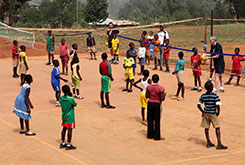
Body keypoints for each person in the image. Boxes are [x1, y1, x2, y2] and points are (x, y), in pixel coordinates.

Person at [197, 81, 228, 150]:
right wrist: (218, 112)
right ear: (211, 88)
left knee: (206, 127)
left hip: (206, 113)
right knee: (217, 127)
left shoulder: (203, 96)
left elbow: (198, 105)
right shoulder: (215, 95)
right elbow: (218, 104)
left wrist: (203, 111)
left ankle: (208, 142)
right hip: (213, 113)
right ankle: (219, 143)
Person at [146, 74, 166, 140]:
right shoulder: (161, 88)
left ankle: (150, 134)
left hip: (150, 103)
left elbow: (147, 95)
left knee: (150, 119)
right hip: (157, 103)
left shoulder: (149, 87)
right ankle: (157, 136)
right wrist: (164, 94)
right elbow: (162, 98)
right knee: (157, 120)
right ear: (158, 79)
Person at [59, 85, 77, 150]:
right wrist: (71, 96)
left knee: (64, 129)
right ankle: (68, 144)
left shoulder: (61, 98)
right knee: (70, 130)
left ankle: (63, 142)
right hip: (70, 117)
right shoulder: (70, 99)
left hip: (64, 116)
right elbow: (75, 104)